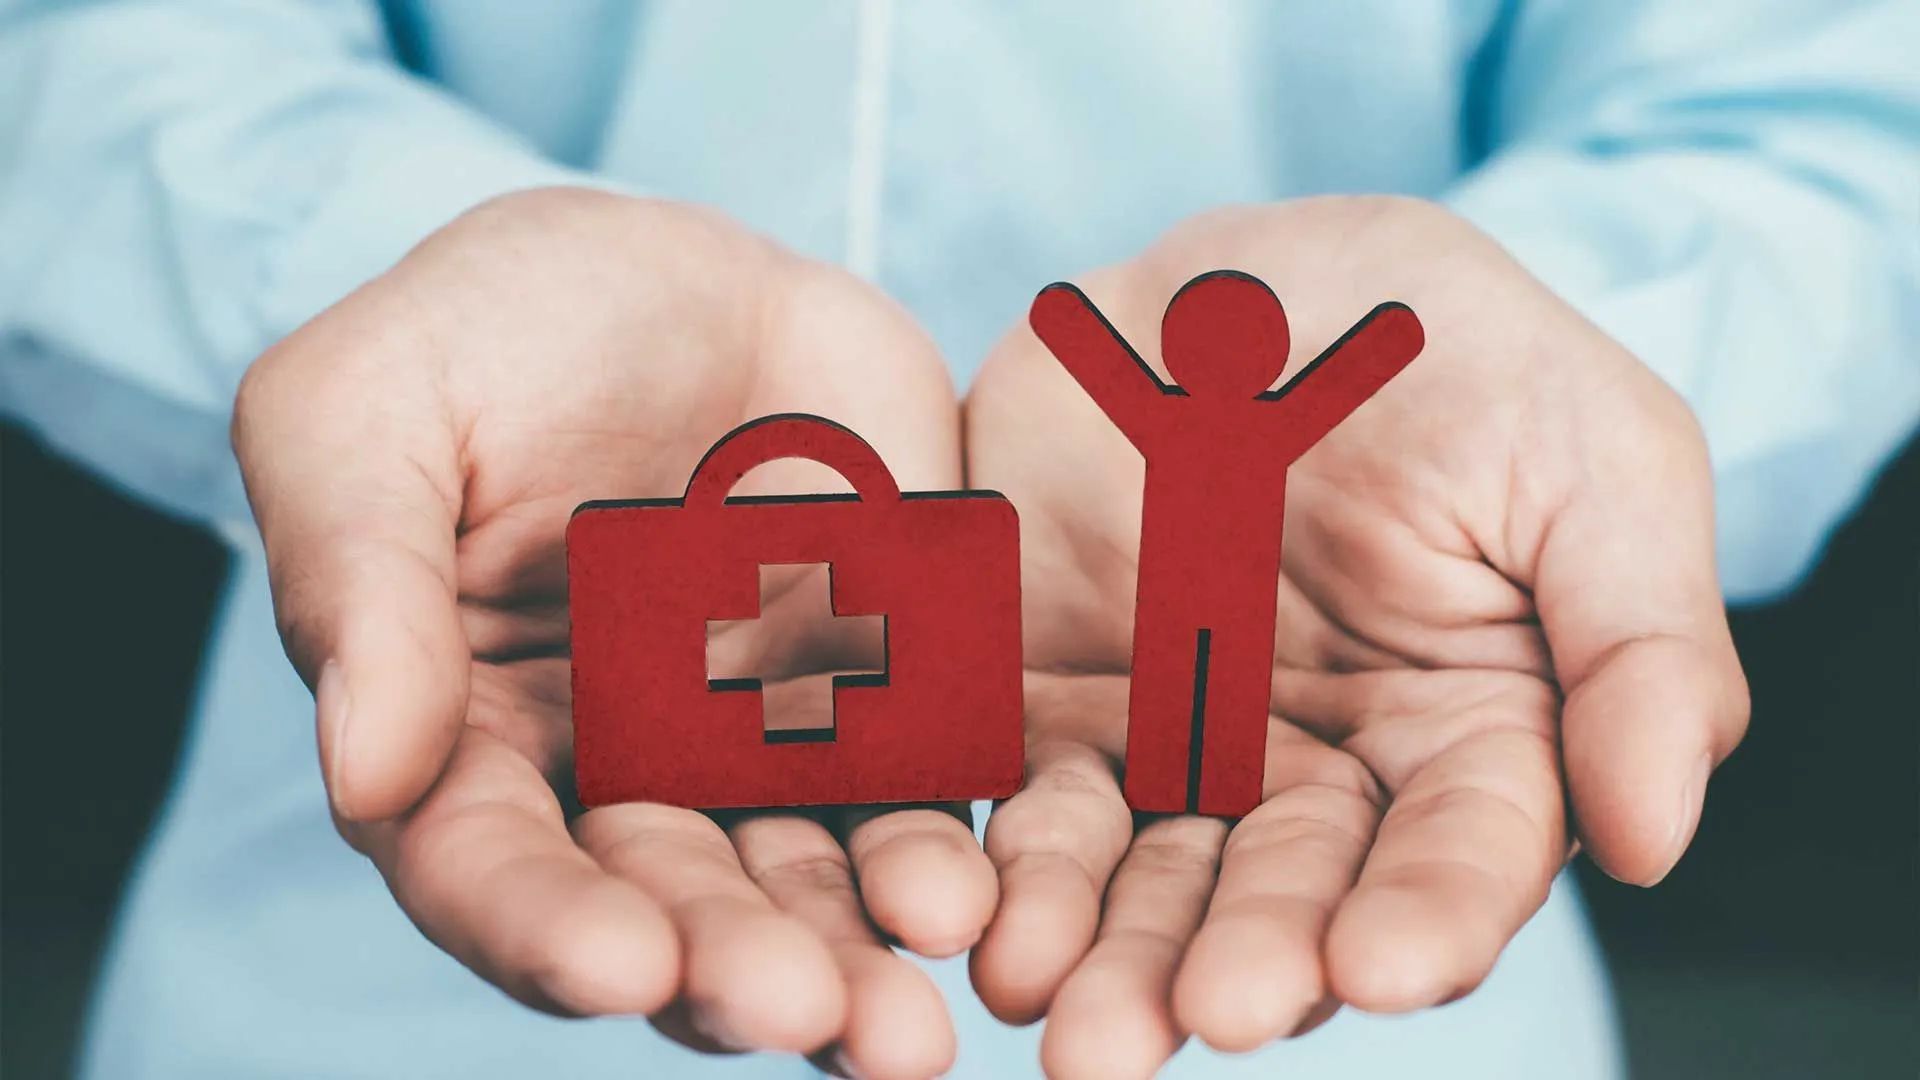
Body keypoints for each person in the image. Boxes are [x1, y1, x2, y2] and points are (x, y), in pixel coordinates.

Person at [2, 3, 1915, 1078]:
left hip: (1337, 884)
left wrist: (1550, 372)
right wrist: (402, 303)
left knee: (1194, 690)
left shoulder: (1243, 416)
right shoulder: (1216, 408)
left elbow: (1828, 109)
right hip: (400, 926)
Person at [1029, 274, 1424, 816]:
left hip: (1213, 585)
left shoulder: (1185, 417)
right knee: (1194, 679)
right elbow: (1347, 375)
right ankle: (1187, 783)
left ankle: (1190, 783)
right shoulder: (1261, 422)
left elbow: (1095, 358)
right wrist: (1391, 336)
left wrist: (1062, 317)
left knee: (1207, 681)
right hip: (1216, 587)